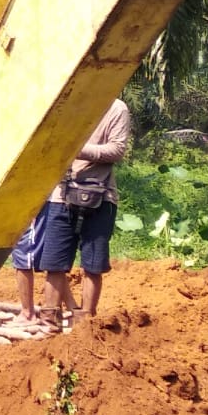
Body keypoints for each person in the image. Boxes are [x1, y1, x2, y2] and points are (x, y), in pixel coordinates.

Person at [42, 98, 132, 322]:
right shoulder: (66, 102)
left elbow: (117, 149)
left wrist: (76, 150)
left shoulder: (116, 108)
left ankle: (87, 319)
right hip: (61, 194)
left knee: (93, 264)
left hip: (100, 195)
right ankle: (49, 317)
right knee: (54, 262)